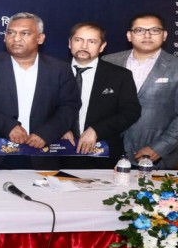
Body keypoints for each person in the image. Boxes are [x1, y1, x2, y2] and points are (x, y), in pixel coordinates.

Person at [0, 12, 80, 169]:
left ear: (40, 38)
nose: (16, 38)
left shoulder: (60, 69)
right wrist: (8, 126)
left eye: (25, 33)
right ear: (5, 37)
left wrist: (46, 133)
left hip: (43, 153)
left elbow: (70, 106)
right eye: (11, 33)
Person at [103, 13, 178, 169]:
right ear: (129, 36)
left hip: (155, 159)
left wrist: (159, 148)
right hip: (107, 153)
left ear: (164, 35)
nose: (147, 35)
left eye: (154, 30)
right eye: (139, 30)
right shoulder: (108, 62)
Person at [59, 22, 140, 169]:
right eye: (78, 40)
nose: (84, 46)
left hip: (102, 154)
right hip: (57, 153)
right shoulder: (52, 71)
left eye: (92, 41)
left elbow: (131, 111)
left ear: (102, 46)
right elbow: (41, 107)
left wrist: (97, 130)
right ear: (70, 43)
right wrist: (59, 127)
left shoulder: (120, 76)